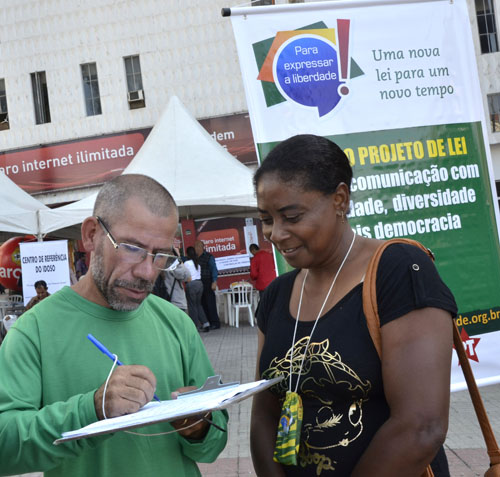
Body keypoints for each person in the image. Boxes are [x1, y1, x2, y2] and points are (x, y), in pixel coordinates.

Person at [250, 135, 456, 477]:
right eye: (267, 219)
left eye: (291, 216)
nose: (276, 232)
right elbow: (264, 416)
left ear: (340, 199)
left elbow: (422, 426)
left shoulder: (399, 270)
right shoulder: (277, 295)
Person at [0, 174, 228, 477]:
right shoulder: (33, 331)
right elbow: (5, 449)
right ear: (91, 234)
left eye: (161, 256)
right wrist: (92, 410)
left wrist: (199, 427)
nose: (148, 272)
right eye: (132, 248)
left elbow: (214, 443)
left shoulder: (176, 323)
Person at [153, 247, 191, 314]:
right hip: (176, 302)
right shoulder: (172, 264)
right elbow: (188, 277)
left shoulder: (156, 263)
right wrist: (179, 260)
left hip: (162, 302)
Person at [194, 240, 221, 330]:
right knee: (202, 303)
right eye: (195, 246)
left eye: (198, 246)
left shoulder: (209, 256)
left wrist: (214, 281)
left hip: (208, 281)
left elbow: (214, 269)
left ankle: (215, 323)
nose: (196, 248)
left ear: (202, 247)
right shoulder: (195, 258)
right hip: (199, 282)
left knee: (210, 303)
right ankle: (207, 322)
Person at [184, 246, 211, 332]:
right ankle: (206, 323)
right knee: (198, 304)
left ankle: (194, 326)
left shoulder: (187, 263)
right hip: (200, 284)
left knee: (192, 306)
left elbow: (184, 275)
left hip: (191, 285)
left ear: (187, 254)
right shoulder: (197, 264)